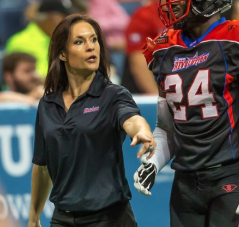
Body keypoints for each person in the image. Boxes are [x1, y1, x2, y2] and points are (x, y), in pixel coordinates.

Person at [133, 0, 239, 227]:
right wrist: (155, 162)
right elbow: (167, 127)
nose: (172, 2)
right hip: (186, 181)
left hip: (231, 176)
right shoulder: (164, 50)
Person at [28, 14, 156, 227]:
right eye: (79, 41)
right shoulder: (47, 104)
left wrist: (142, 131)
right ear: (62, 53)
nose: (91, 47)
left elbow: (131, 118)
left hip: (110, 219)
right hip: (62, 219)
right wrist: (33, 218)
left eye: (94, 39)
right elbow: (42, 165)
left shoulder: (113, 94)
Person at [5, 0, 76, 78]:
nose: (68, 24)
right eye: (65, 18)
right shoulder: (21, 42)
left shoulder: (59, 40)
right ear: (51, 18)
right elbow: (30, 80)